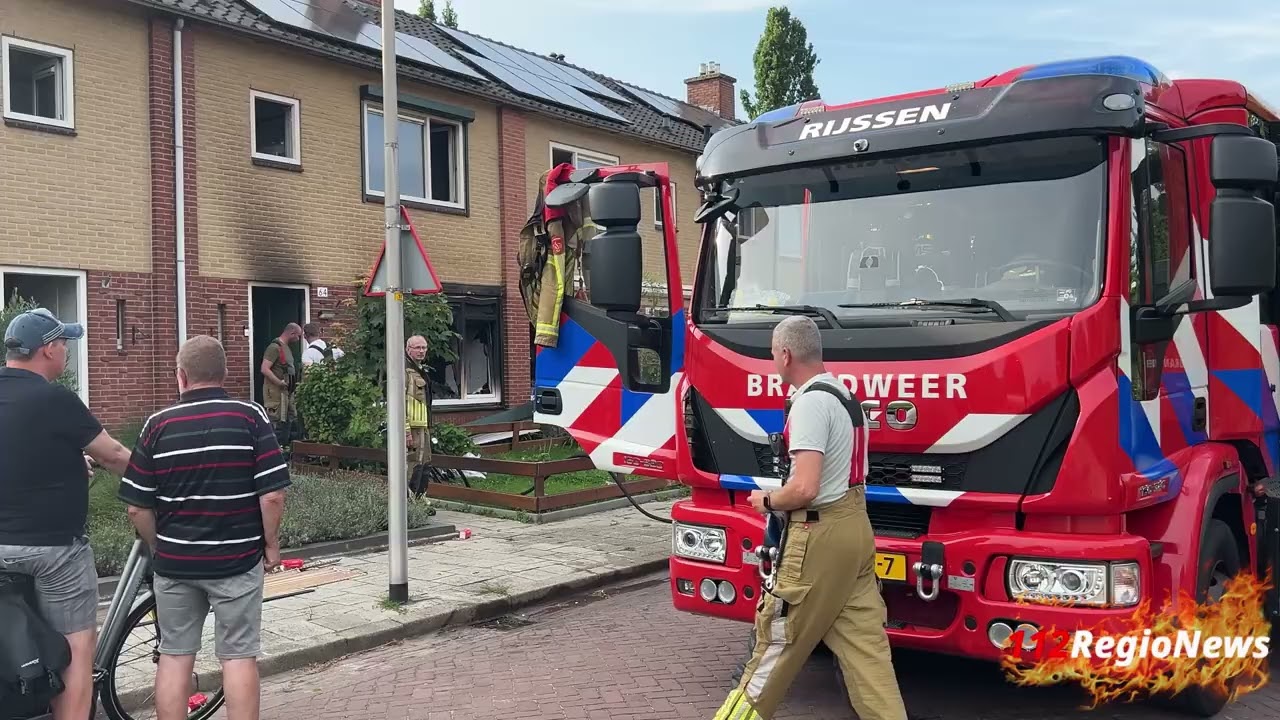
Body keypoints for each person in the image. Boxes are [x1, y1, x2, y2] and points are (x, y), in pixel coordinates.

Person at [714, 315, 907, 720]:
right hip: (855, 528)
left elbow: (804, 488)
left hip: (817, 534)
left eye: (772, 353)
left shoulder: (809, 403)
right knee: (868, 658)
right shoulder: (845, 396)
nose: (773, 361)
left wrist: (767, 500)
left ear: (786, 354)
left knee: (775, 645)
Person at [118, 335, 290, 720]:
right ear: (225, 374)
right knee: (239, 656)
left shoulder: (157, 424)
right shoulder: (250, 416)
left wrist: (160, 546)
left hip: (176, 564)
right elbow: (272, 496)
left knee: (174, 655)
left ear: (181, 376)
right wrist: (271, 545)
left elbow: (136, 506)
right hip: (237, 560)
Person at [0, 307, 133, 720]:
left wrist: (68, 463)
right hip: (53, 552)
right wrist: (162, 479)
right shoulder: (55, 398)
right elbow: (114, 455)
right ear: (47, 350)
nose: (67, 351)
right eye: (64, 343)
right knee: (75, 650)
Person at [260, 323, 302, 448]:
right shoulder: (274, 348)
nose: (298, 339)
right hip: (277, 394)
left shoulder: (286, 348)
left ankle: (285, 448)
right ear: (292, 333)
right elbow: (265, 369)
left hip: (287, 393)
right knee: (276, 422)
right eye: (298, 336)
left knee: (289, 419)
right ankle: (274, 449)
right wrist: (279, 382)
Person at [405, 335, 432, 468]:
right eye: (417, 348)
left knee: (424, 465)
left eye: (424, 348)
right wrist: (406, 431)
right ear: (408, 349)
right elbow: (399, 403)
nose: (421, 351)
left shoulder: (420, 371)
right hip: (412, 429)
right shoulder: (404, 371)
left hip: (423, 427)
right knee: (413, 467)